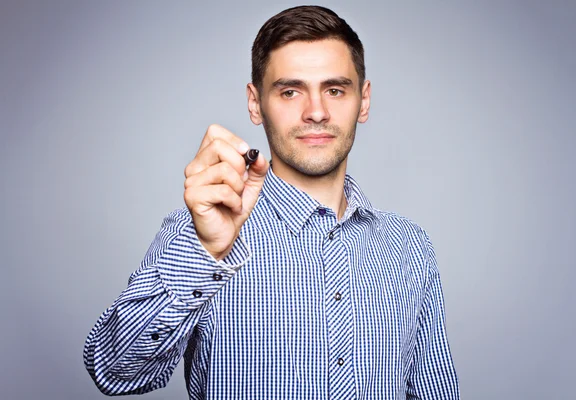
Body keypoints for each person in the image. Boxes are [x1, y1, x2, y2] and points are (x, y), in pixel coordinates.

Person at [84, 5, 460, 399]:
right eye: (290, 91)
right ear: (254, 102)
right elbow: (115, 371)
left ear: (363, 101)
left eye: (335, 89)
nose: (316, 112)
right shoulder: (197, 234)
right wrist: (207, 252)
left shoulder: (411, 248)